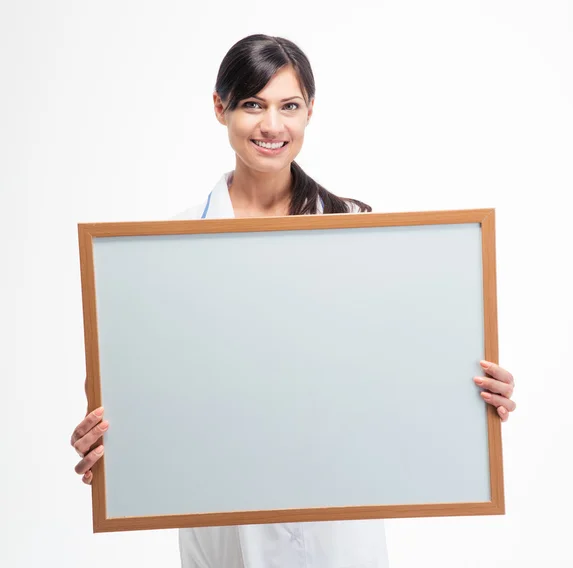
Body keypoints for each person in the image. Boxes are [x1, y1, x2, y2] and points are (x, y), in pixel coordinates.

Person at [70, 34, 518, 568]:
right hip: (226, 528)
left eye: (290, 106)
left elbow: (399, 367)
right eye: (252, 104)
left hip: (338, 530)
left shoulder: (358, 232)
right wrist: (109, 439)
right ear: (220, 108)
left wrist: (474, 397)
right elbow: (152, 390)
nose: (272, 126)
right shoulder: (169, 249)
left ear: (310, 112)